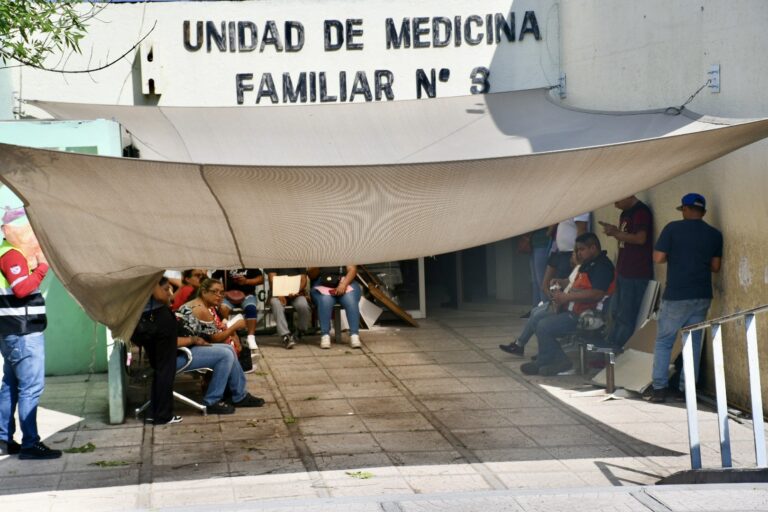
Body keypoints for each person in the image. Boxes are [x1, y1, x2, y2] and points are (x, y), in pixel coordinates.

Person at [649, 193, 722, 403]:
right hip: (701, 295)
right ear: (704, 212)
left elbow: (658, 257)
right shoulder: (714, 234)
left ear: (686, 209)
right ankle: (686, 390)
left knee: (664, 341)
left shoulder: (672, 228)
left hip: (676, 295)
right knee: (693, 342)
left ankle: (659, 388)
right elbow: (716, 267)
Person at [0, 210, 61, 459]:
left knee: (10, 386)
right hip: (23, 333)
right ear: (16, 230)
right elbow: (22, 289)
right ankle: (30, 444)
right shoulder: (11, 254)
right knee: (31, 388)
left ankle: (4, 439)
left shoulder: (8, 252)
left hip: (12, 332)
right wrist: (43, 267)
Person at [154, 278, 266, 415]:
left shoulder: (200, 305)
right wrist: (235, 327)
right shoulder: (201, 309)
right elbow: (216, 338)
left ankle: (239, 395)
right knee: (225, 354)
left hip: (181, 350)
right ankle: (212, 401)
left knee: (228, 349)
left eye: (222, 292)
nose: (219, 295)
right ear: (204, 292)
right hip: (178, 355)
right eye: (215, 292)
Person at [521, 233, 615, 376]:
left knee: (544, 326)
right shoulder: (587, 264)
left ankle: (555, 361)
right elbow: (575, 284)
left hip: (587, 316)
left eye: (581, 249)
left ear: (593, 248)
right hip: (574, 310)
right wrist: (559, 282)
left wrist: (567, 297)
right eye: (577, 250)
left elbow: (596, 294)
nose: (578, 253)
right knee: (537, 319)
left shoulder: (602, 267)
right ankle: (549, 360)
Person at [499, 252, 580, 357]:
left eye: (578, 251)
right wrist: (554, 291)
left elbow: (575, 291)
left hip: (567, 307)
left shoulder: (584, 269)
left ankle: (533, 348)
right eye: (575, 252)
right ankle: (521, 345)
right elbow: (559, 284)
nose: (575, 255)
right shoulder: (578, 268)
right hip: (559, 301)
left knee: (538, 318)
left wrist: (560, 299)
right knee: (534, 311)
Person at [599, 195, 654, 350]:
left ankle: (620, 350)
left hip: (636, 273)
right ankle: (613, 346)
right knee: (616, 312)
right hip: (623, 271)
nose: (615, 204)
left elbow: (640, 239)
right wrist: (615, 231)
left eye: (617, 200)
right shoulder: (625, 213)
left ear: (628, 195)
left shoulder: (641, 212)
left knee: (626, 316)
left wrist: (615, 233)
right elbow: (625, 238)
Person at [131, 277, 183, 425]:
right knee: (165, 369)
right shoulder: (148, 271)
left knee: (159, 369)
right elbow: (160, 296)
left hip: (144, 323)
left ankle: (153, 412)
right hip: (159, 319)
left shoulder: (132, 273)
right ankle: (163, 415)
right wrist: (166, 296)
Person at [308, 266, 362, 349]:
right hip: (323, 282)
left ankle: (354, 335)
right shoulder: (317, 253)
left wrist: (343, 284)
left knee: (350, 300)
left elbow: (352, 270)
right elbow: (311, 275)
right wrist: (317, 264)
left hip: (345, 281)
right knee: (325, 300)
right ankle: (325, 335)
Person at [212, 268, 263, 350]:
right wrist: (221, 291)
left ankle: (251, 338)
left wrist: (246, 281)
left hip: (247, 294)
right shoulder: (225, 264)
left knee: (251, 308)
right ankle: (227, 334)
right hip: (229, 295)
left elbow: (261, 279)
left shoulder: (247, 262)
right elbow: (214, 278)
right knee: (222, 308)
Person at [267, 268, 311, 349]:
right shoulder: (273, 260)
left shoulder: (298, 260)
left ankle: (301, 330)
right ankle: (285, 335)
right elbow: (272, 278)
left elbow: (303, 280)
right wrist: (280, 293)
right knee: (276, 304)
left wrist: (296, 291)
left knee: (303, 305)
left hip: (296, 293)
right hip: (278, 293)